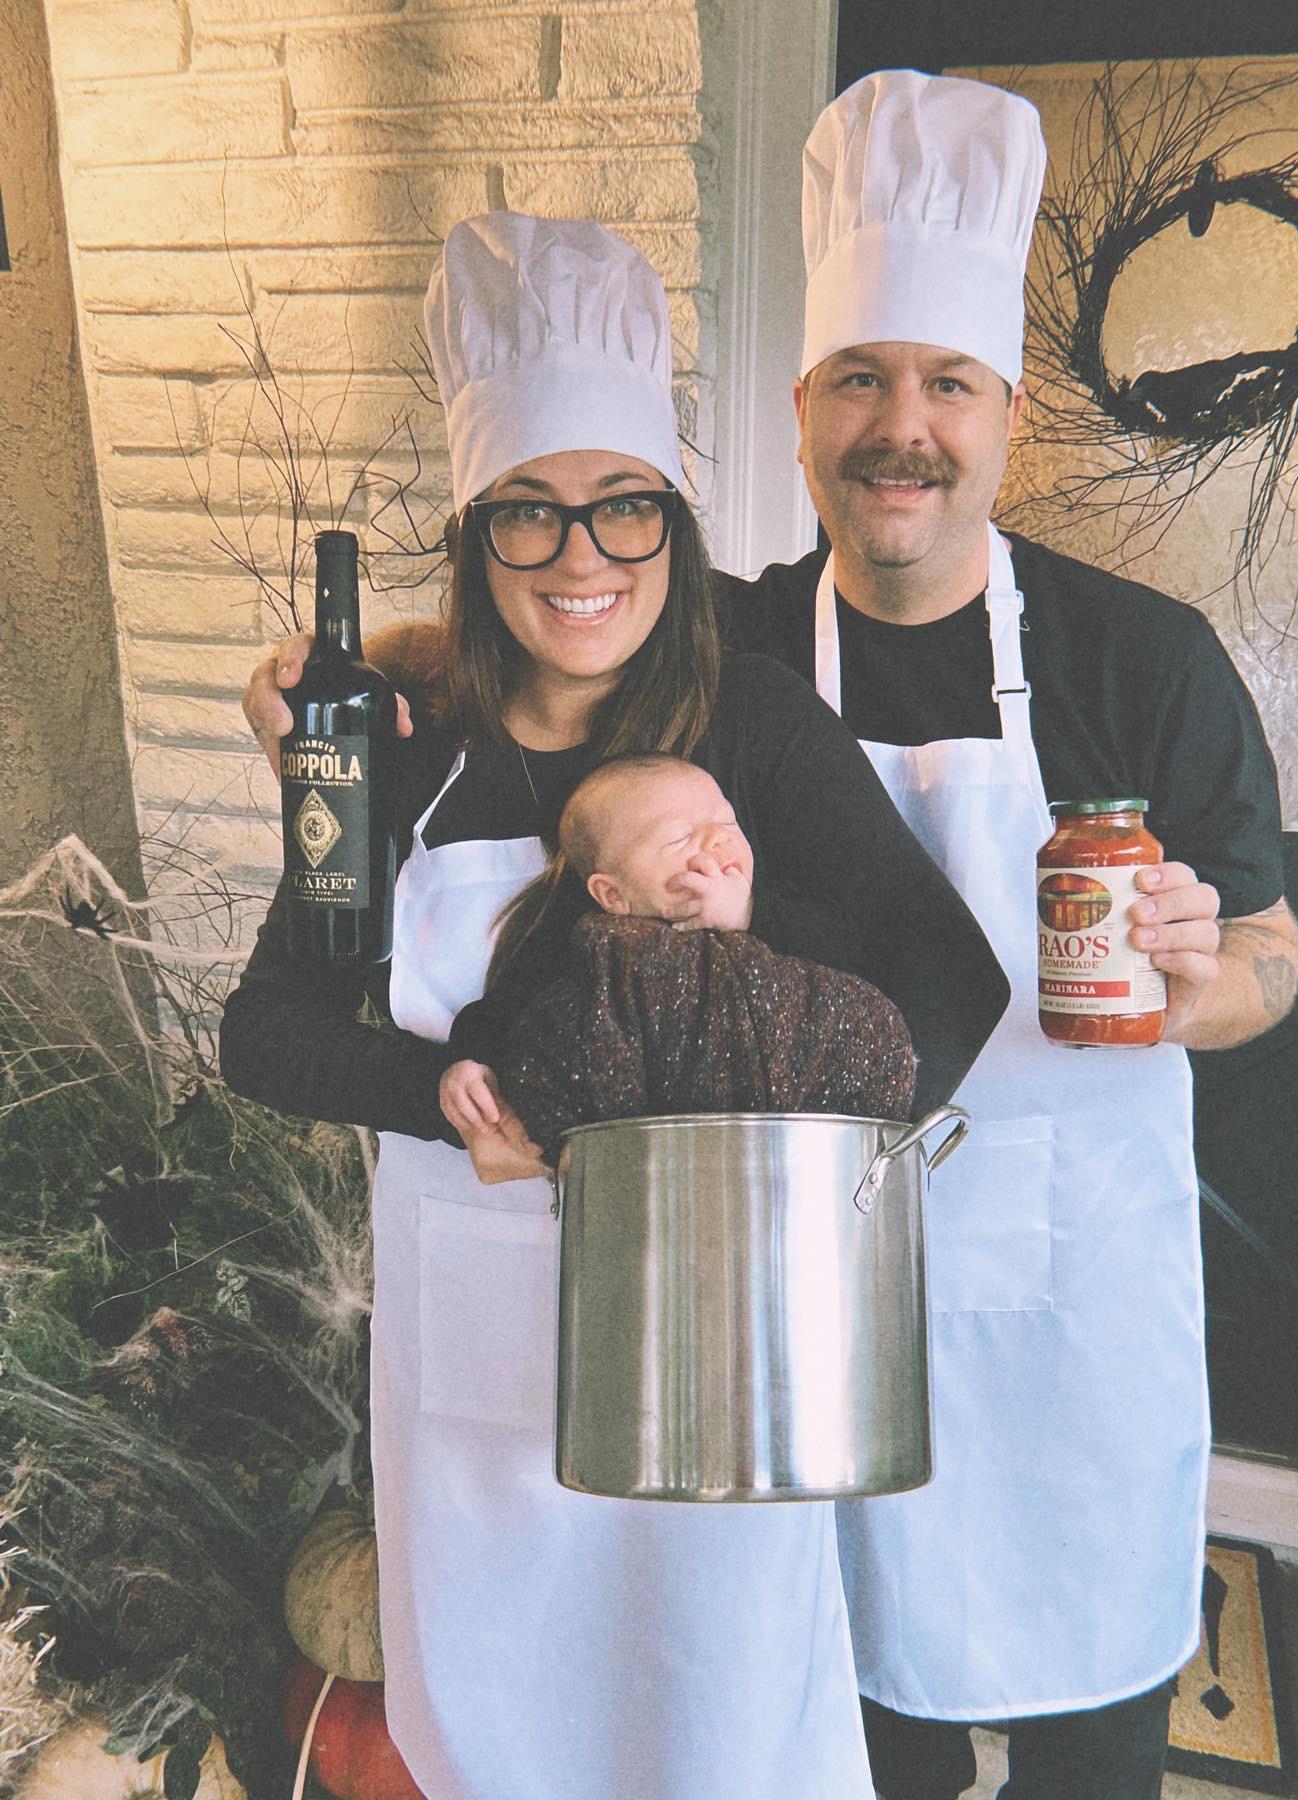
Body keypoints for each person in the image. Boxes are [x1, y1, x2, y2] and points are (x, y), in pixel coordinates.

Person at [240, 76, 1298, 1799]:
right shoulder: (715, 649)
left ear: (1006, 415)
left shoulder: (1132, 663)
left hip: (1037, 1297)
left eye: (947, 383)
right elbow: (545, 657)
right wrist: (354, 702)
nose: (906, 426)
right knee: (829, 1731)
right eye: (863, 382)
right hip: (741, 1333)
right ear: (800, 413)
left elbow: (1251, 954)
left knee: (1083, 1741)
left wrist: (1212, 986)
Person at [220, 209, 1008, 1800]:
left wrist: (728, 958)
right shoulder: (402, 748)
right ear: (475, 533)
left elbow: (951, 987)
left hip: (716, 1358)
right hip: (474, 1372)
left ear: (672, 519)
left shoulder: (753, 726)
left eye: (623, 510)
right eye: (531, 514)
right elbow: (270, 1037)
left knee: (714, 1725)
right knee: (504, 1733)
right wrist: (468, 1112)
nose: (582, 560)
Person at [442, 753, 921, 1165]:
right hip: (649, 1165)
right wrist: (471, 1059)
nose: (717, 842)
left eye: (728, 824)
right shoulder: (598, 952)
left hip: (811, 1150)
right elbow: (514, 1002)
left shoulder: (783, 927)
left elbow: (855, 962)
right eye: (678, 838)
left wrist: (750, 915)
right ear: (613, 893)